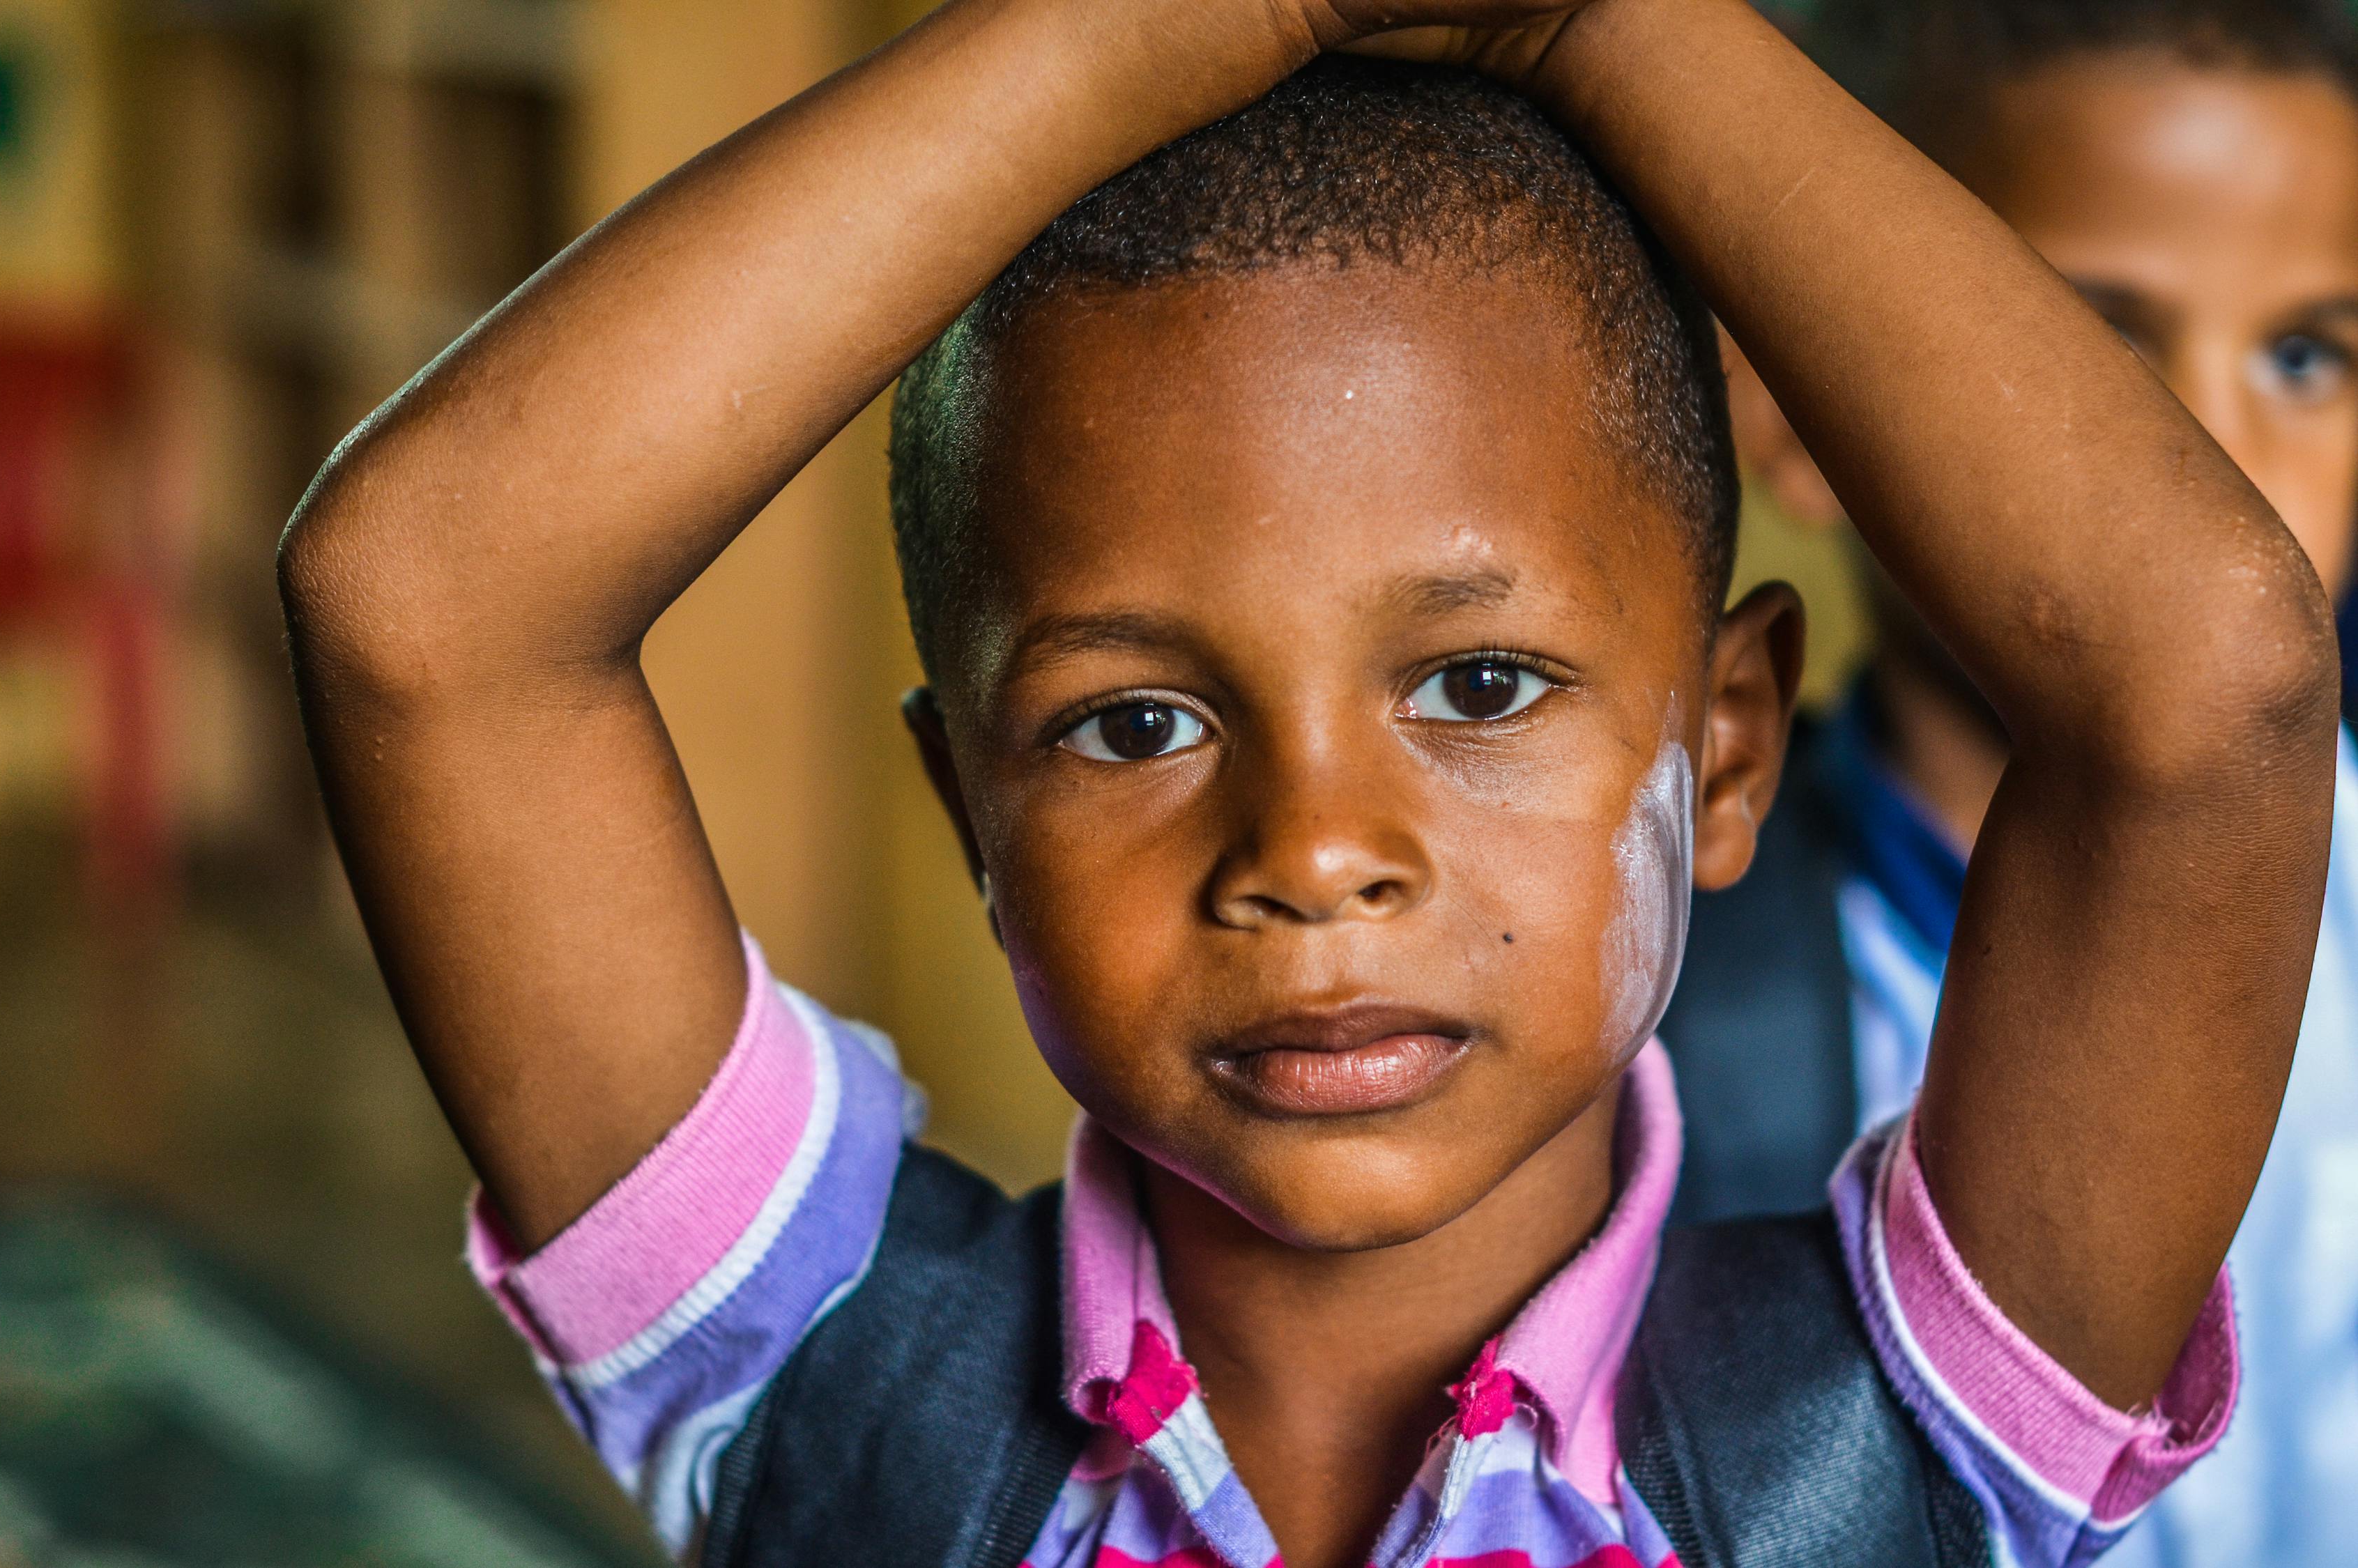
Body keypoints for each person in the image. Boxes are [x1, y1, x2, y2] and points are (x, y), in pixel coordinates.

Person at [275, 0, 2341, 1561]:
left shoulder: (1887, 1438)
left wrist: (1597, 23)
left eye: (1475, 680)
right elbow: (425, 603)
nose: (1315, 852)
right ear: (965, 815)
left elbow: (2208, 692)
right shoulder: (825, 1375)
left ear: (1717, 747)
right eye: (1129, 723)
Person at [1664, 2, 2358, 1564]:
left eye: (2307, 353)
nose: (2214, 453)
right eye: (2097, 342)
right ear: (1795, 403)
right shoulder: (1645, 1022)